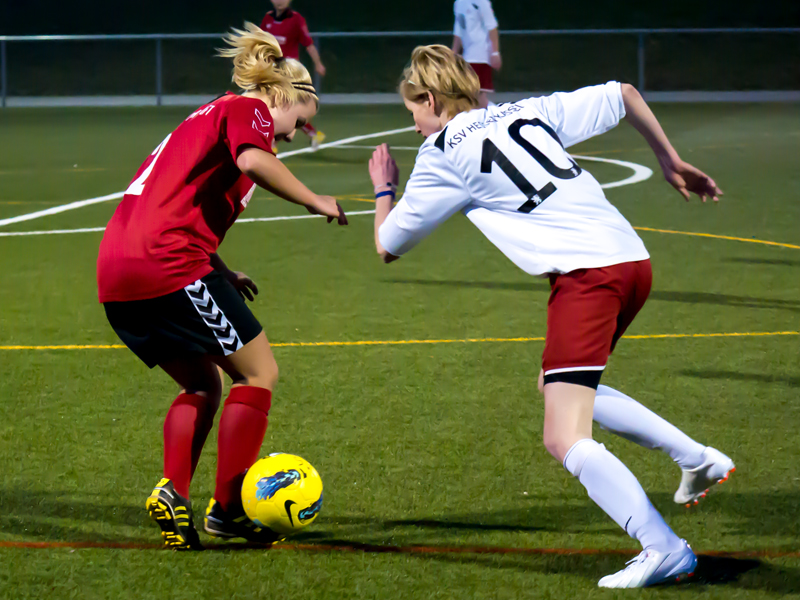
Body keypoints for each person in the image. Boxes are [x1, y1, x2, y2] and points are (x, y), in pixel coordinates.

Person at [368, 45, 733, 588]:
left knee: (564, 435)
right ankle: (696, 458)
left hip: (588, 278)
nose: (416, 126)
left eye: (413, 113)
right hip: (631, 262)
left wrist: (383, 187)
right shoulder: (523, 111)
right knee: (557, 384)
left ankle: (663, 547)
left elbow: (387, 244)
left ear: (429, 98)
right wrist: (668, 160)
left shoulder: (441, 153)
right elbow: (624, 94)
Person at [96, 23, 347, 551]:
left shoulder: (210, 116)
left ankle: (173, 492)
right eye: (302, 122)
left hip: (119, 271)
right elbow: (255, 159)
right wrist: (315, 199)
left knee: (203, 385)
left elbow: (177, 200)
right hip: (168, 264)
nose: (297, 134)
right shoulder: (248, 109)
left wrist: (222, 268)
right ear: (282, 95)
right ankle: (230, 511)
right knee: (259, 373)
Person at [261, 0, 327, 149]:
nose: (280, 1)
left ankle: (272, 143)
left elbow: (308, 44)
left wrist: (318, 63)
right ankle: (312, 133)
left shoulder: (296, 19)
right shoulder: (268, 19)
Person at [452, 0, 501, 108]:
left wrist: (495, 53)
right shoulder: (458, 3)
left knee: (477, 95)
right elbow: (459, 30)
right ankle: (491, 114)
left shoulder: (481, 2)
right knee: (468, 95)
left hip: (481, 56)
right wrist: (453, 52)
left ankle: (493, 115)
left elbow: (492, 27)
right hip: (466, 57)